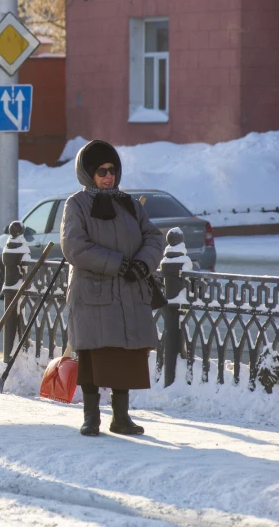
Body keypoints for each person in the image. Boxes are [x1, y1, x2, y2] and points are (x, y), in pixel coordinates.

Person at [60, 140, 165, 437]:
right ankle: (91, 418)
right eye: (102, 171)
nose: (109, 176)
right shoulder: (77, 204)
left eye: (113, 170)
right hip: (93, 294)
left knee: (125, 355)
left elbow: (154, 238)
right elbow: (74, 247)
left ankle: (121, 418)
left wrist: (142, 264)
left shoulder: (128, 204)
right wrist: (118, 264)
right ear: (88, 173)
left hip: (130, 292)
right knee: (93, 356)